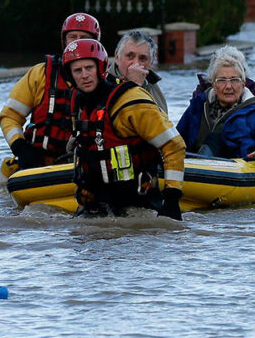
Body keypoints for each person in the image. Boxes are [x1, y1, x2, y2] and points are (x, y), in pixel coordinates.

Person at [63, 38, 186, 219]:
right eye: (77, 70)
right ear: (70, 76)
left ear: (100, 68)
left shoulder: (131, 100)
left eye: (89, 68)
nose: (84, 75)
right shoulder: (80, 106)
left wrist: (172, 199)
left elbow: (174, 145)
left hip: (139, 204)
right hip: (99, 206)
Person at [0, 12, 101, 170]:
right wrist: (20, 147)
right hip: (37, 161)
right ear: (64, 40)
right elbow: (10, 116)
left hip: (83, 164)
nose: (77, 42)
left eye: (84, 37)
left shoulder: (105, 81)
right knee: (8, 168)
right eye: (72, 37)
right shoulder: (39, 74)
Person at [176, 46, 255, 165]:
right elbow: (176, 141)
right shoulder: (197, 106)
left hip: (236, 173)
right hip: (194, 170)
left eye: (234, 80)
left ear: (243, 84)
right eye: (222, 80)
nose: (228, 86)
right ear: (213, 84)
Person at [107, 30, 168, 113]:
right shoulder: (103, 85)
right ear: (117, 57)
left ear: (151, 63)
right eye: (129, 56)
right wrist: (133, 86)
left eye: (142, 58)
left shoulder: (153, 85)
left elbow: (162, 122)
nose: (136, 63)